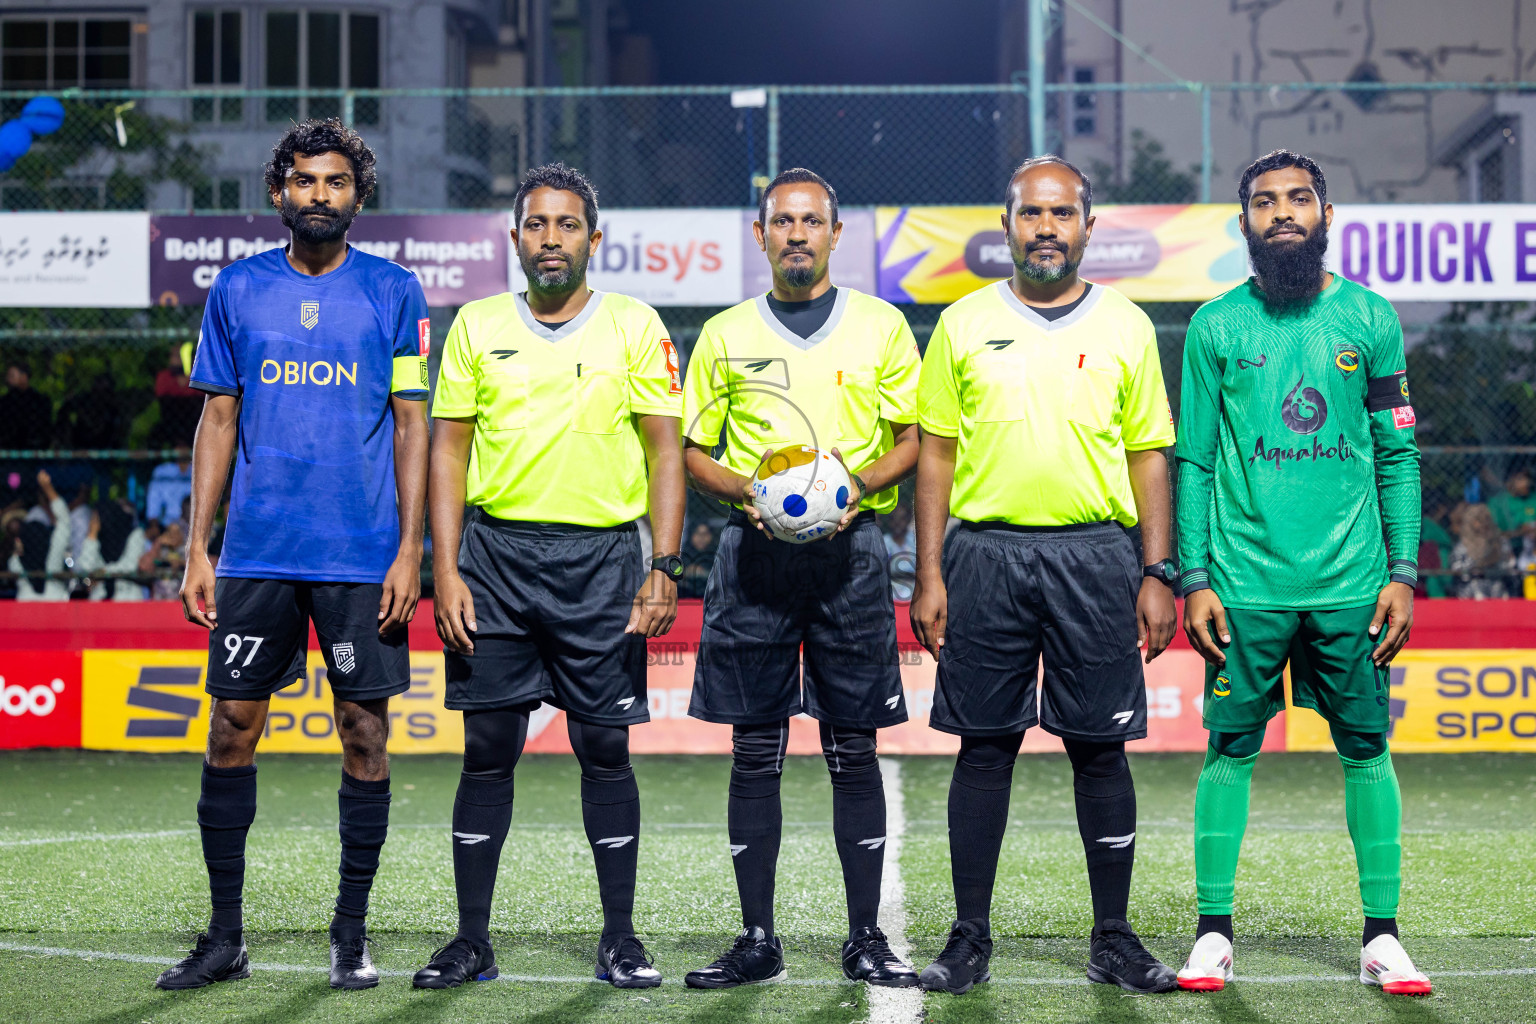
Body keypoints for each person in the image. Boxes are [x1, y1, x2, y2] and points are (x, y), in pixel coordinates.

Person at [154, 119, 430, 992]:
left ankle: (350, 935)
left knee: (364, 736)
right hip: (259, 555)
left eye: (336, 182)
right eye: (304, 181)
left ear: (359, 195)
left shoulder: (396, 291)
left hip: (360, 555)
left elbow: (415, 428)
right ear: (279, 192)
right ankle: (225, 935)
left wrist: (408, 552)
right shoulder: (236, 290)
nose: (320, 194)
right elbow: (218, 419)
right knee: (231, 729)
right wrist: (199, 548)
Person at [910, 156, 1179, 996]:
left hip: (1097, 556)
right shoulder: (960, 323)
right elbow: (937, 457)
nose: (1047, 228)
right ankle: (968, 938)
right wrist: (928, 571)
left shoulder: (1127, 325)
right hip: (984, 555)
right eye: (1032, 214)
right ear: (1007, 226)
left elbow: (1149, 457)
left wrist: (1157, 570)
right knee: (984, 749)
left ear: (1088, 227)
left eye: (1063, 214)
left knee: (1101, 750)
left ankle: (1113, 936)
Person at [416, 163, 685, 992]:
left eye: (568, 226)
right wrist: (445, 567)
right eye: (537, 225)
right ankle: (471, 941)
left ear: (593, 240)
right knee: (487, 748)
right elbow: (449, 450)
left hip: (603, 564)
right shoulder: (475, 324)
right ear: (516, 239)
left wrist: (664, 562)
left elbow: (665, 448)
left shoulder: (636, 326)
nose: (551, 239)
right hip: (494, 561)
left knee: (604, 748)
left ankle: (620, 938)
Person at [1175, 150, 1430, 996]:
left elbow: (1397, 452)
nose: (1281, 213)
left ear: (1326, 213)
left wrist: (1402, 570)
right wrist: (1194, 577)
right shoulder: (1216, 326)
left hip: (1354, 586)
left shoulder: (1370, 318)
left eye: (1298, 199)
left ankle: (1383, 938)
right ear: (1242, 222)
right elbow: (1196, 462)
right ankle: (1213, 934)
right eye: (1263, 202)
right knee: (1230, 749)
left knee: (1367, 749)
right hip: (1243, 587)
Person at [681, 167, 922, 989]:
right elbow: (690, 452)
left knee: (853, 750)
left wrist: (855, 485)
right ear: (760, 234)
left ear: (834, 233)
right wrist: (749, 490)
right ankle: (757, 940)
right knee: (755, 752)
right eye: (781, 221)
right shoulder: (723, 334)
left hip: (848, 561)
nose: (795, 234)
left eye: (810, 221)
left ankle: (864, 938)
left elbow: (912, 439)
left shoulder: (882, 327)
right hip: (754, 561)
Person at [7, 470, 70, 601]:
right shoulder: (54, 556)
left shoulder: (16, 564)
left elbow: (15, 556)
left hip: (26, 603)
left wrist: (18, 551)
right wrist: (48, 488)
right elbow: (65, 522)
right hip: (56, 600)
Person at [77, 499, 149, 600]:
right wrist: (92, 535)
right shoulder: (97, 539)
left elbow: (129, 566)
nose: (92, 522)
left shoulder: (135, 534)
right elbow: (85, 566)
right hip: (99, 598)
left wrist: (103, 572)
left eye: (95, 518)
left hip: (127, 597)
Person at [1450, 503, 1516, 599]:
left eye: (1486, 519)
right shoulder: (1462, 546)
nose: (1483, 523)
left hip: (1496, 584)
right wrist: (1476, 563)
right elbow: (1457, 570)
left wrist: (1495, 562)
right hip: (1472, 588)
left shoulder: (1501, 542)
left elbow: (1511, 565)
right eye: (1478, 520)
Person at [0, 361, 54, 451]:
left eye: (12, 376)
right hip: (9, 446)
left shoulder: (39, 401)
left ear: (24, 377)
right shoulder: (5, 402)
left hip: (34, 447)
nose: (7, 379)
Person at [1488, 467, 1536, 544]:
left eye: (1527, 478)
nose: (1526, 482)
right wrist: (1521, 531)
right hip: (1508, 547)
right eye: (1520, 479)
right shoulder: (1498, 503)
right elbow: (1494, 534)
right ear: (1510, 481)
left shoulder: (1533, 497)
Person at [881, 501, 916, 601]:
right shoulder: (884, 542)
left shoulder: (915, 540)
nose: (897, 523)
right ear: (889, 521)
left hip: (914, 595)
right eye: (893, 519)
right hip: (891, 595)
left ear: (908, 520)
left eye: (901, 519)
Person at [678, 520, 716, 599]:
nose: (701, 538)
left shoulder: (716, 554)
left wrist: (703, 573)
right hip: (687, 594)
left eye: (705, 534)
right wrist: (686, 573)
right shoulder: (684, 554)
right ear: (691, 535)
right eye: (697, 533)